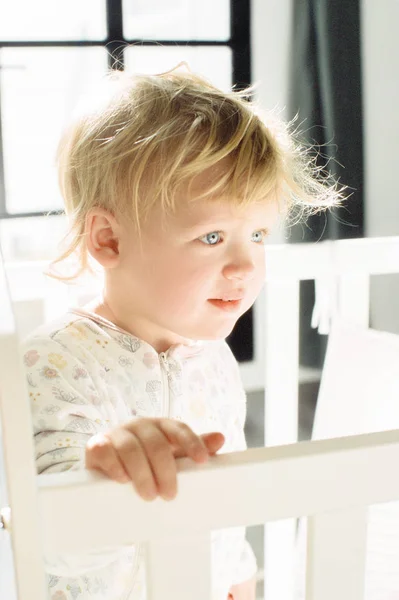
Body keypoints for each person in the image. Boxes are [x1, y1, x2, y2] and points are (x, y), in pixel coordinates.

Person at [21, 64, 342, 600]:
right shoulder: (51, 363)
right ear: (109, 241)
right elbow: (47, 539)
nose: (245, 266)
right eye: (212, 235)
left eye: (258, 234)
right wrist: (101, 470)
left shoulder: (211, 357)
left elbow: (225, 493)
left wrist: (238, 572)